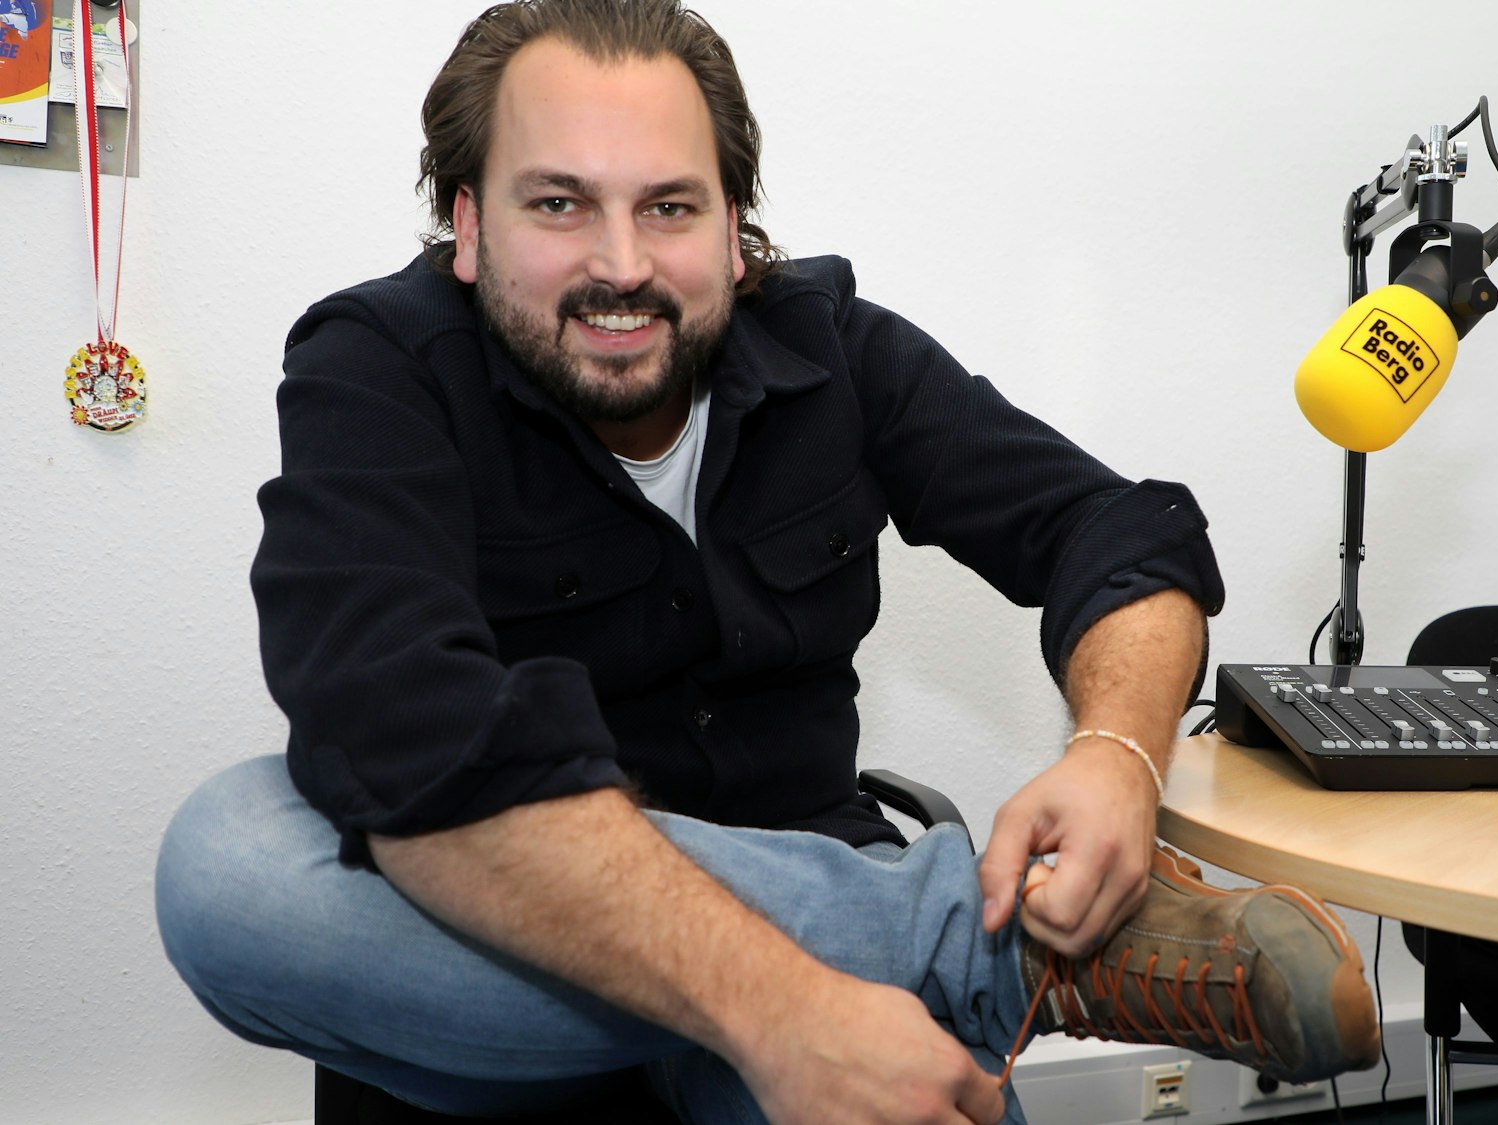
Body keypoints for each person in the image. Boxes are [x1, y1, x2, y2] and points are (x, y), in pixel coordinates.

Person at [153, 3, 1379, 1122]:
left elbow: (1121, 529)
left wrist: (1115, 756)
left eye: (670, 207)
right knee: (233, 866)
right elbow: (401, 730)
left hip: (784, 890)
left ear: (736, 229)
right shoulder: (374, 366)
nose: (621, 265)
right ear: (467, 226)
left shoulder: (832, 348)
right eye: (558, 203)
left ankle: (895, 956)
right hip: (518, 938)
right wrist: (786, 1009)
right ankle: (985, 949)